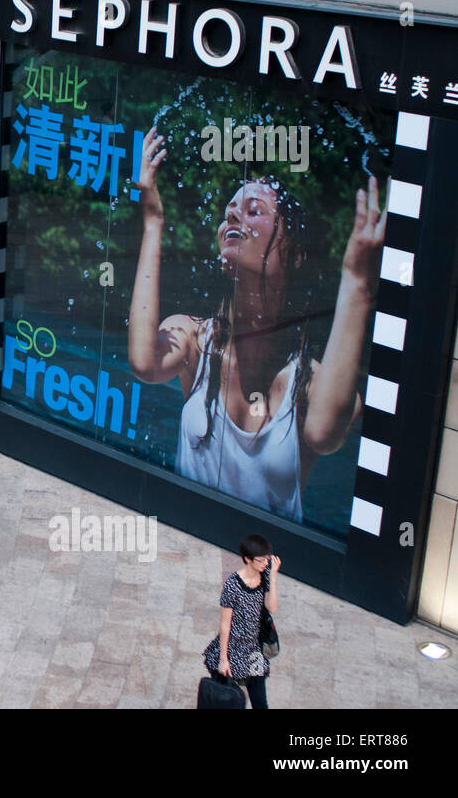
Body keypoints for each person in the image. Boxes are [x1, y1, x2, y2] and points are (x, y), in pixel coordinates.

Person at [129, 129, 385, 523]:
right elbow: (144, 362)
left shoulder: (312, 382)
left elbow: (324, 434)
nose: (233, 213)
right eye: (231, 209)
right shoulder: (196, 341)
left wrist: (357, 282)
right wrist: (153, 222)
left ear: (296, 252)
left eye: (254, 210)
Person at [203, 534, 280, 709]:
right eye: (261, 560)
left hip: (254, 650)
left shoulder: (266, 574)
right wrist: (223, 659)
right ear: (247, 559)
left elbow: (272, 607)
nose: (266, 564)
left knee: (260, 703)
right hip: (233, 649)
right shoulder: (232, 586)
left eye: (267, 559)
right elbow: (225, 624)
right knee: (225, 700)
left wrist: (273, 577)